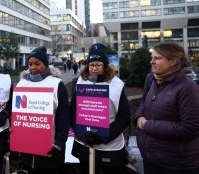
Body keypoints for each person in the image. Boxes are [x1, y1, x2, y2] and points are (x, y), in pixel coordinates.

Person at [135, 42, 199, 174]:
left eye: (157, 58)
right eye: (152, 57)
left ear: (173, 61)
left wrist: (148, 125)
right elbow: (143, 102)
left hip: (175, 164)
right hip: (150, 159)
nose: (151, 61)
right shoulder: (153, 79)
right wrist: (139, 116)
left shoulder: (187, 87)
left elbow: (190, 128)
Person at [70, 43, 130, 174]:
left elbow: (124, 117)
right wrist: (80, 133)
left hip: (109, 145)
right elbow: (73, 111)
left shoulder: (116, 85)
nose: (94, 68)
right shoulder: (80, 82)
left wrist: (103, 136)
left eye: (98, 65)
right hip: (84, 142)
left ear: (105, 66)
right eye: (91, 65)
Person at [16, 46, 69, 174]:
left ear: (45, 64)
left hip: (49, 150)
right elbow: (17, 115)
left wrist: (59, 143)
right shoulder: (21, 84)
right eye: (30, 64)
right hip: (27, 151)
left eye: (37, 64)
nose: (33, 67)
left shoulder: (56, 84)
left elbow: (63, 117)